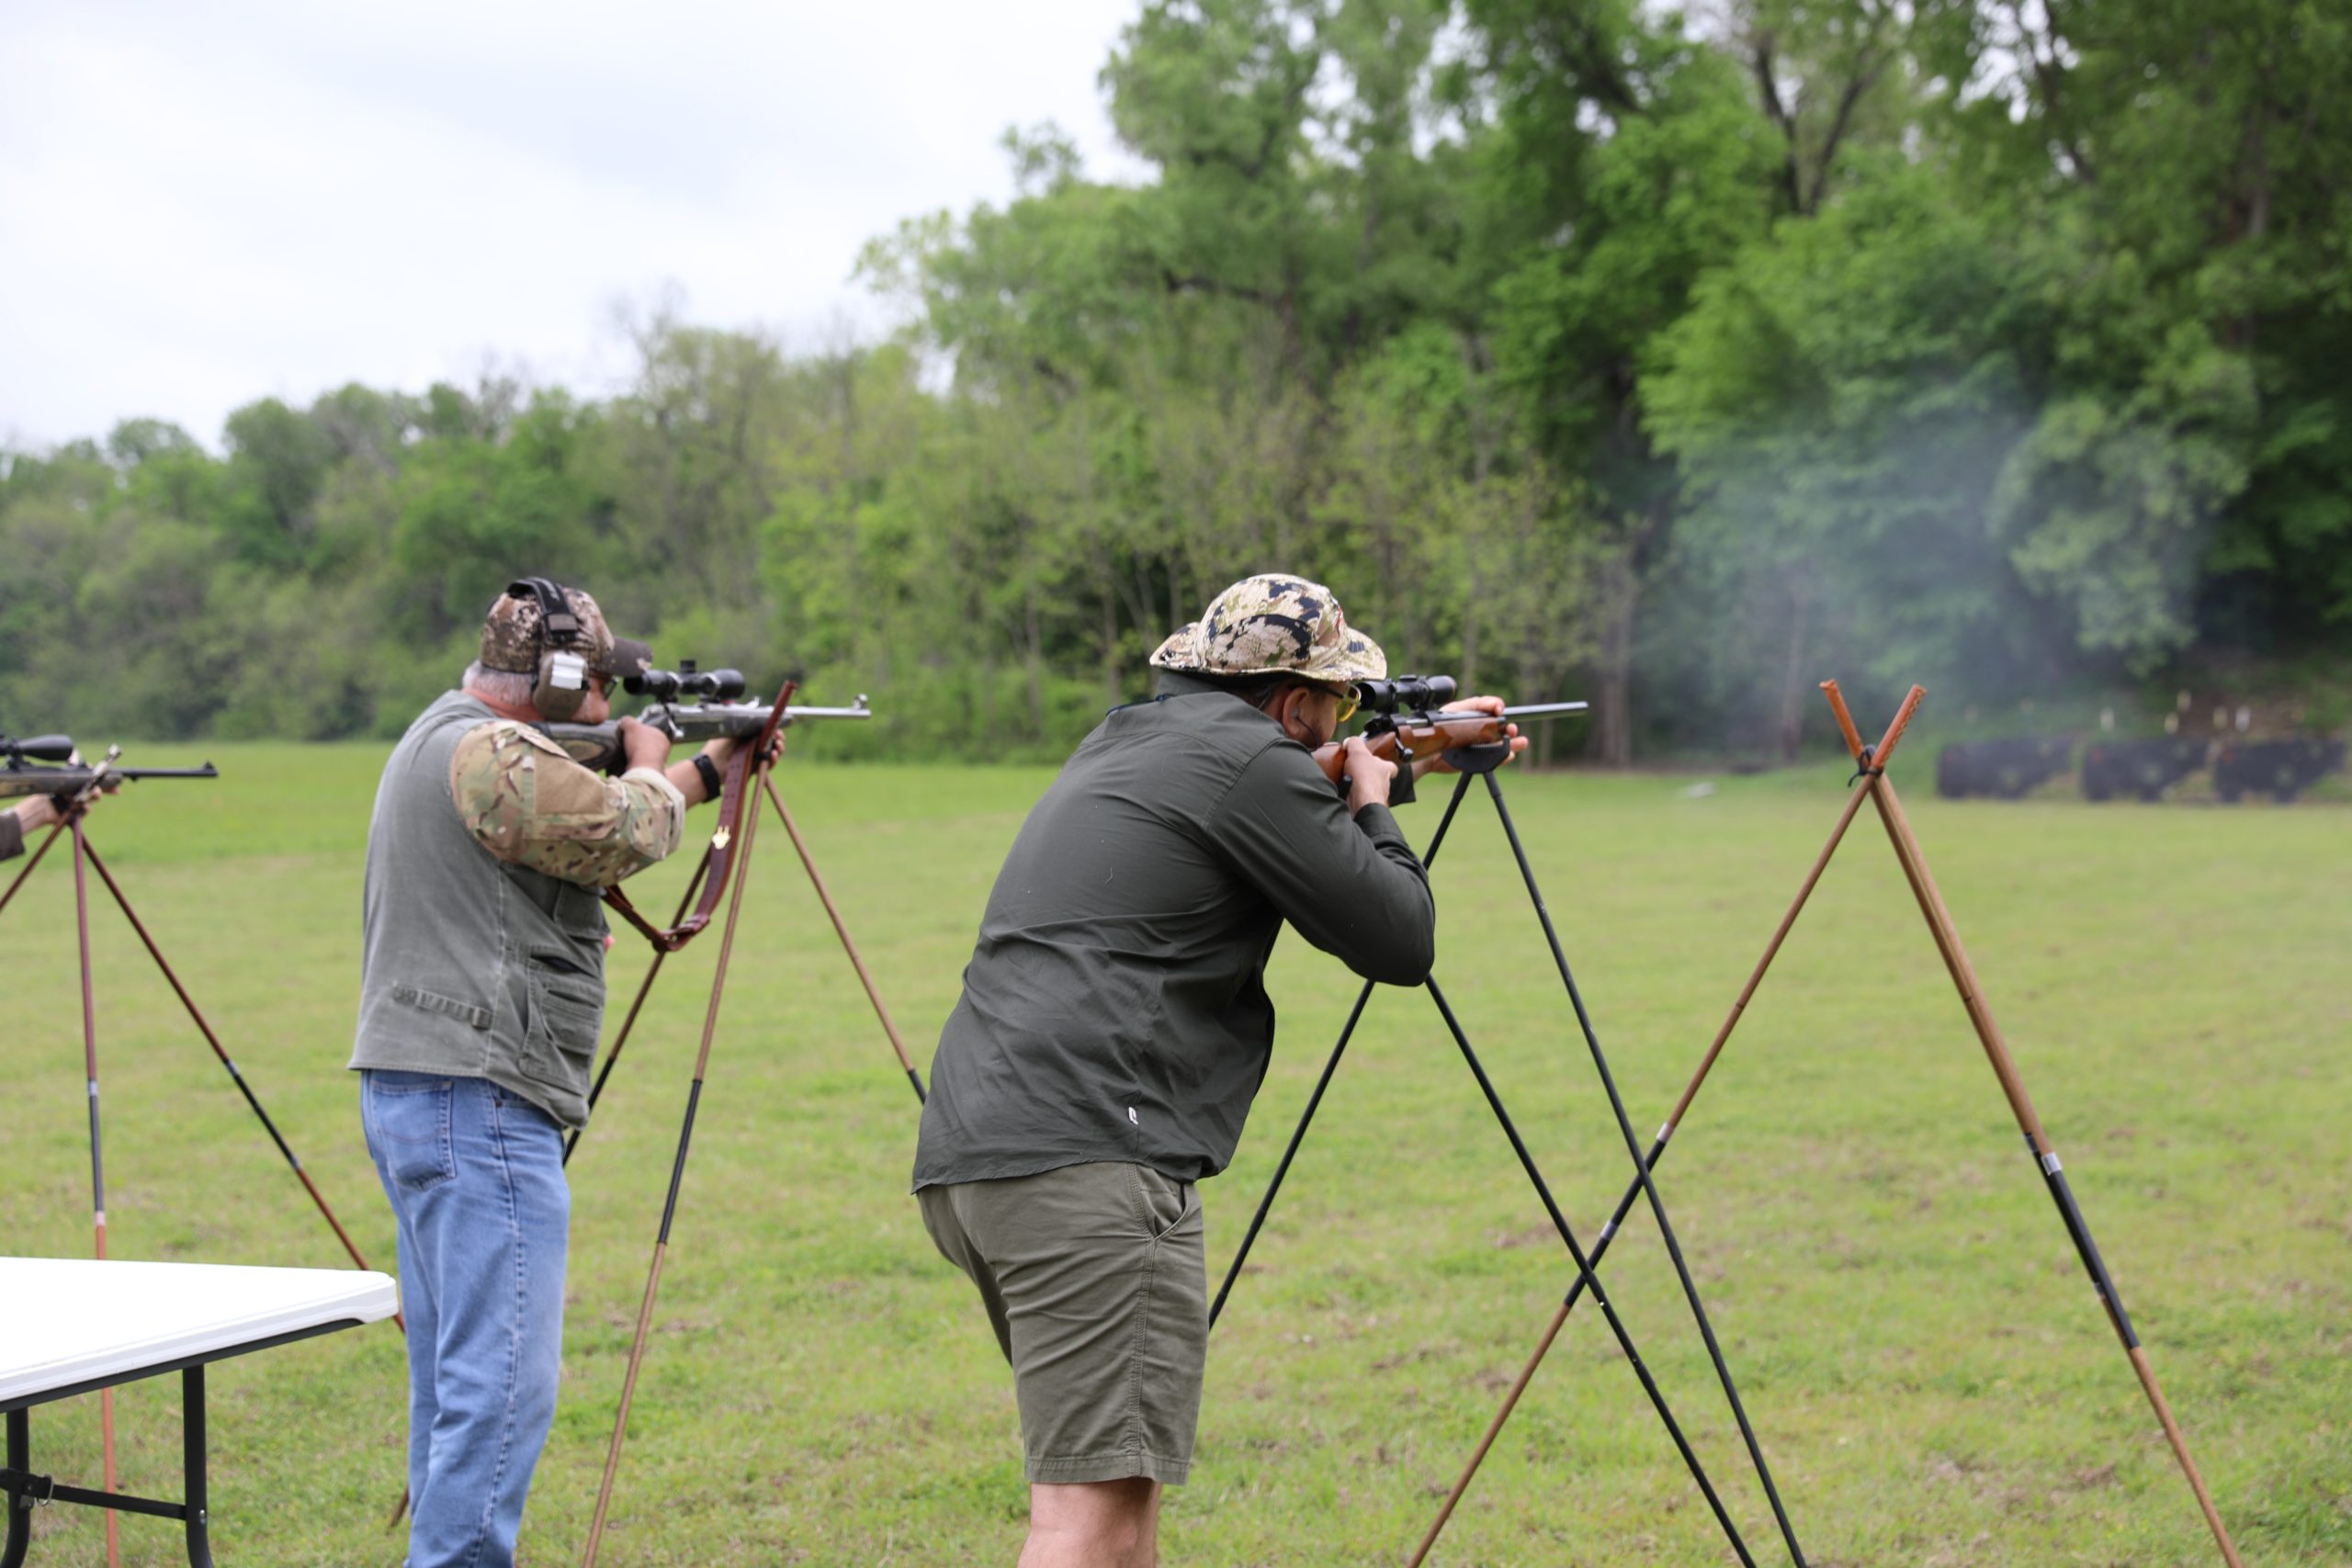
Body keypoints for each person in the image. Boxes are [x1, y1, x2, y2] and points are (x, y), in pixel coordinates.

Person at [912, 573, 1524, 1568]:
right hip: (1095, 1160)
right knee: (1082, 1523)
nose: (1344, 723)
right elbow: (1399, 940)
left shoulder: (1128, 739)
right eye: (1337, 705)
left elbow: (1258, 818)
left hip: (986, 1152)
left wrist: (1413, 754)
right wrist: (1376, 801)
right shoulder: (1254, 763)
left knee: (1123, 1501)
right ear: (1295, 705)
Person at [350, 577, 739, 1568]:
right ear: (558, 682)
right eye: (598, 689)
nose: (609, 706)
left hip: (427, 1088)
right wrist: (654, 767)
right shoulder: (487, 754)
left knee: (457, 1377)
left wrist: (699, 769)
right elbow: (620, 829)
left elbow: (574, 817)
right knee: (502, 1381)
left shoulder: (449, 734)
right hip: (476, 1095)